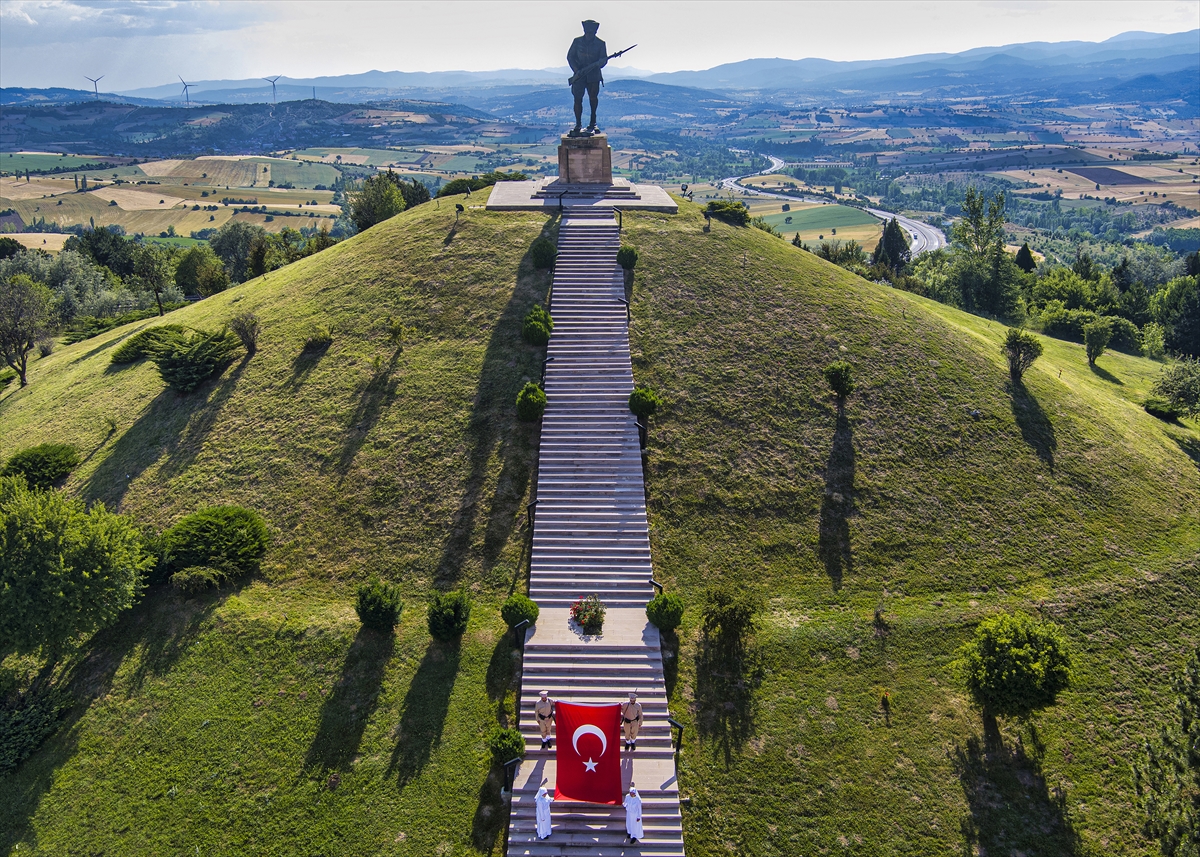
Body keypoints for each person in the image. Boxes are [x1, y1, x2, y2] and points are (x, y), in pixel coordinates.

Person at [567, 20, 607, 135]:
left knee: (593, 99)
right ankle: (578, 124)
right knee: (577, 99)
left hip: (593, 75)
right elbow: (570, 57)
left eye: (592, 32)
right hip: (579, 75)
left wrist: (600, 63)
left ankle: (593, 123)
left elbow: (603, 61)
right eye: (588, 31)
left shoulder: (600, 43)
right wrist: (576, 71)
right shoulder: (577, 41)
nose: (589, 34)